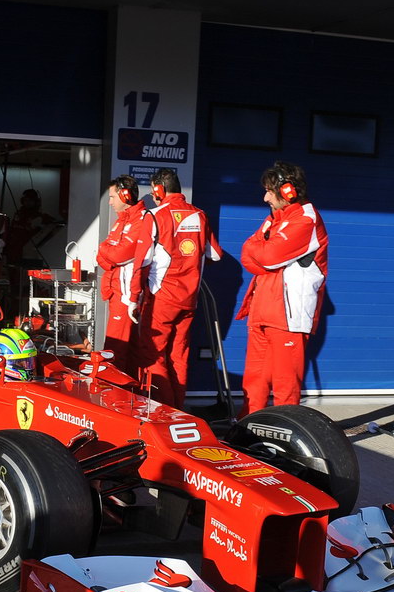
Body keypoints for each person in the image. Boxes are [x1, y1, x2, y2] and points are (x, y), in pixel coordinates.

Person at [236, 161, 328, 416]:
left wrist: (263, 255)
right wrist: (263, 255)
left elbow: (269, 256)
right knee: (253, 383)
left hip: (288, 316)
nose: (265, 197)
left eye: (269, 191)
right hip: (262, 310)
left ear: (288, 191)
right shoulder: (273, 219)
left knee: (285, 386)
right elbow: (247, 253)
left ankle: (285, 439)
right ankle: (249, 430)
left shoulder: (306, 219)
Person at [138, 168, 222, 408]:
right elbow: (215, 254)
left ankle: (161, 410)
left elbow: (140, 262)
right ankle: (177, 408)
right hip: (189, 299)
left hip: (161, 298)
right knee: (179, 355)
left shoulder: (154, 215)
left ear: (158, 190)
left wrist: (133, 297)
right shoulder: (200, 215)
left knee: (153, 355)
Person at [95, 174, 155, 375]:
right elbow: (102, 254)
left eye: (112, 196)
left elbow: (119, 254)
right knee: (125, 349)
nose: (110, 201)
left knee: (115, 350)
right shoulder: (121, 221)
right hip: (116, 291)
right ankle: (129, 395)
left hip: (128, 295)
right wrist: (108, 254)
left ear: (125, 195)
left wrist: (108, 254)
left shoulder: (142, 219)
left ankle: (111, 397)